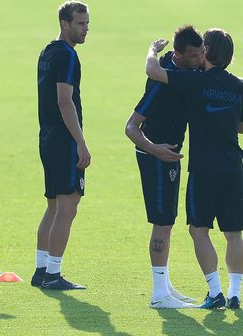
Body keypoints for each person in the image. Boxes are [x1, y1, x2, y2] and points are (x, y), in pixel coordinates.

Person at [146, 29, 243, 309]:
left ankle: (215, 292)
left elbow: (154, 71)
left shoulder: (194, 81)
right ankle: (235, 292)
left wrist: (152, 50)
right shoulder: (238, 85)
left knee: (199, 230)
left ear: (207, 52)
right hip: (234, 167)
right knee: (234, 233)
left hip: (204, 170)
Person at [125, 25, 204, 308]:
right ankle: (159, 295)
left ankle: (165, 286)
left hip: (169, 154)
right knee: (162, 223)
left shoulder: (177, 65)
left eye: (202, 53)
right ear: (180, 55)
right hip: (156, 155)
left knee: (167, 223)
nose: (200, 60)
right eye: (194, 55)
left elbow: (154, 64)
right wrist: (155, 149)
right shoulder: (163, 84)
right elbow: (131, 127)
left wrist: (152, 51)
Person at [31, 1, 91, 290]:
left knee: (54, 206)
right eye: (80, 24)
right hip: (64, 140)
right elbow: (64, 100)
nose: (86, 29)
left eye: (87, 23)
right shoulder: (67, 56)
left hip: (48, 137)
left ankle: (41, 269)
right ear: (64, 24)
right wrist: (81, 142)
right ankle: (53, 274)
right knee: (67, 207)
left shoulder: (48, 51)